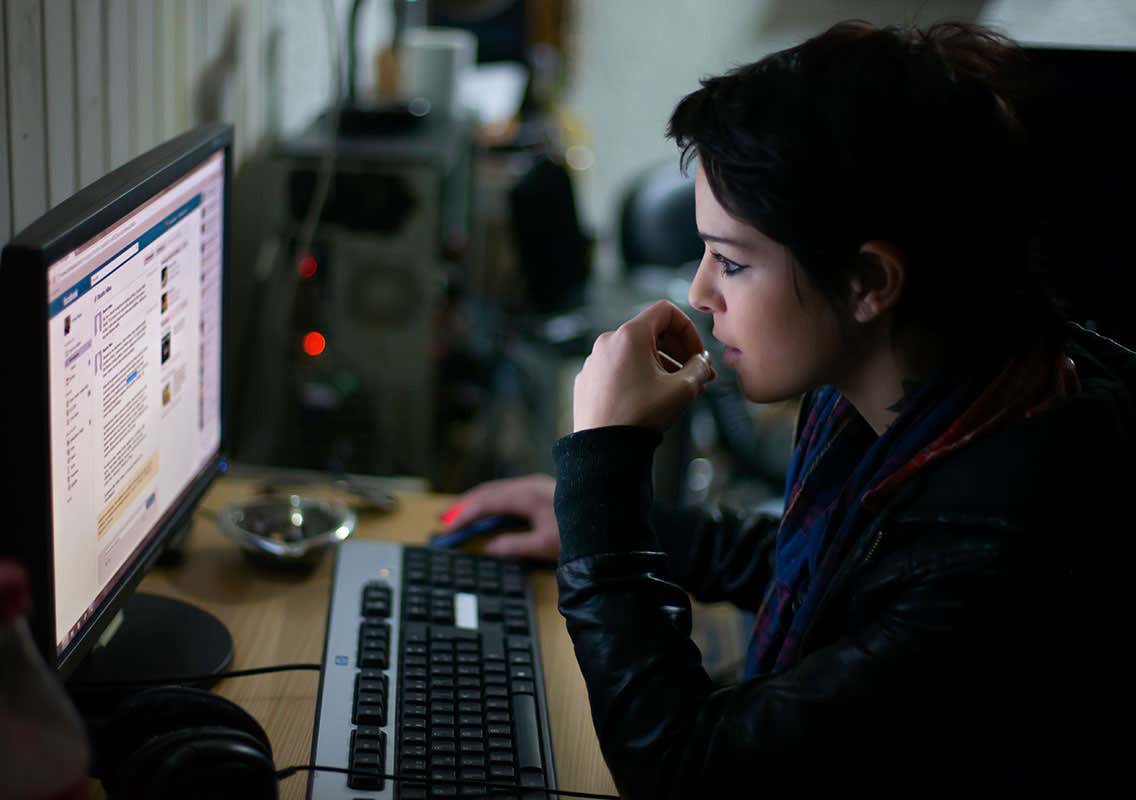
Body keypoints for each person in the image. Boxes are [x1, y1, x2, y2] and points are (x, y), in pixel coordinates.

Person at [440, 20, 1136, 794]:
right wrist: (600, 528)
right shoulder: (949, 384)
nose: (702, 294)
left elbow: (686, 770)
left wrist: (601, 477)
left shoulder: (1005, 555)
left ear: (871, 282)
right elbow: (848, 575)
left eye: (732, 261)